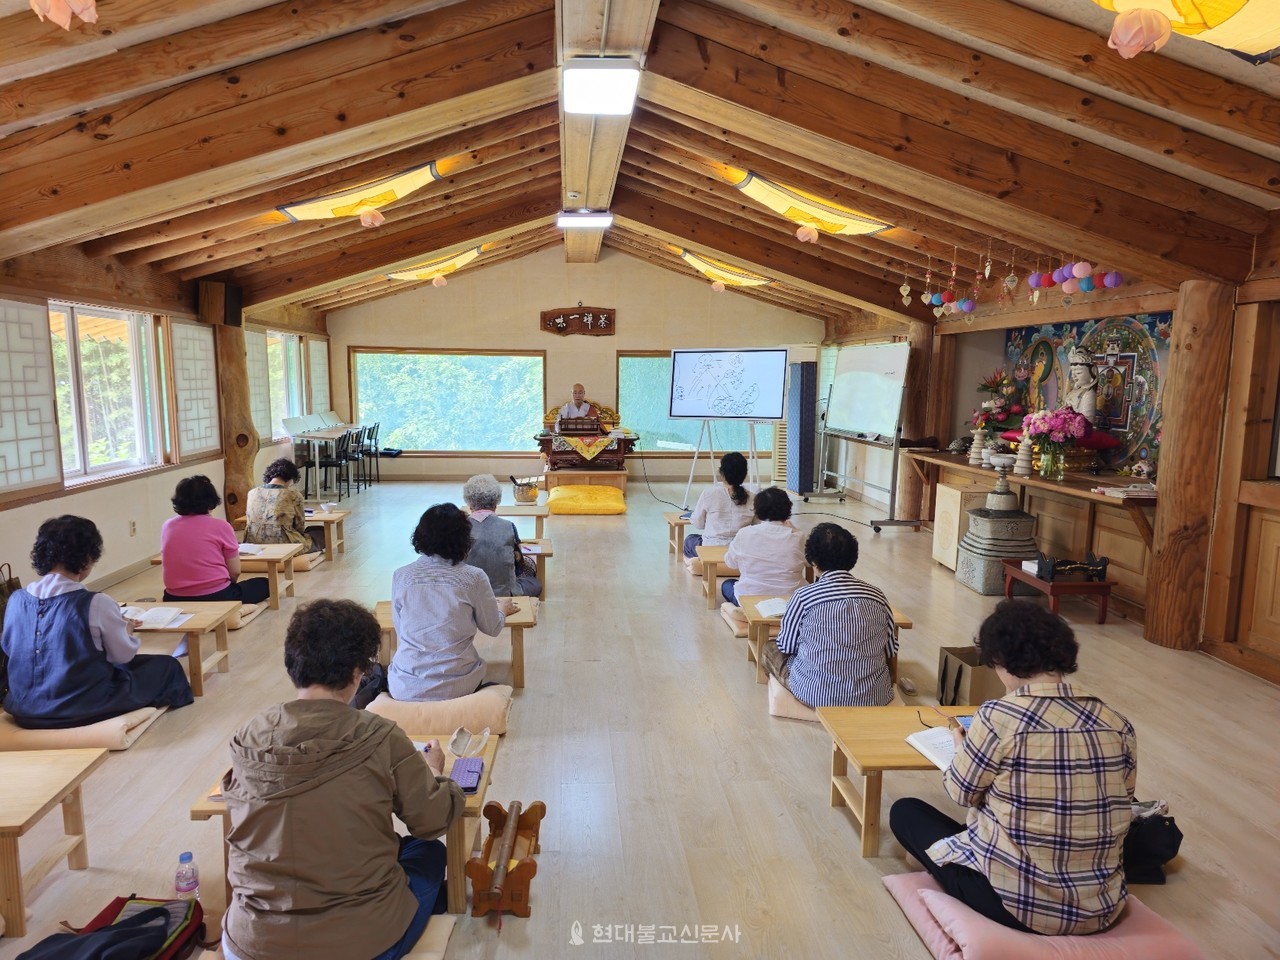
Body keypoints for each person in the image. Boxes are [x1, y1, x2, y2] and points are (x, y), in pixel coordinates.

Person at [220, 599, 465, 960]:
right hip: (360, 944)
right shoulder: (378, 735)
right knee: (427, 851)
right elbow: (431, 821)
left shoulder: (249, 735)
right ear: (357, 671)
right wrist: (434, 772)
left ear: (293, 664)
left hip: (250, 943)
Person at [889, 600, 1137, 936]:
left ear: (1001, 661)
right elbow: (1124, 798)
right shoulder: (1116, 722)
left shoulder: (999, 717)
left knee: (905, 812)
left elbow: (961, 792)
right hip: (1101, 906)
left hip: (1018, 906)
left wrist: (961, 748)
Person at [0, 516, 193, 729]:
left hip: (24, 708)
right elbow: (123, 655)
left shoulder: (17, 599)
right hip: (79, 707)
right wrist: (126, 629)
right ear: (86, 559)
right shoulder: (96, 602)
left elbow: (10, 647)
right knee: (167, 666)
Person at [389, 504, 519, 701]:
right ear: (465, 539)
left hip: (405, 684)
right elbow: (492, 628)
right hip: (458, 684)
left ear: (419, 535)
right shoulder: (473, 577)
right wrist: (501, 609)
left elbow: (401, 629)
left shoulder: (401, 576)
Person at [761, 523, 896, 708]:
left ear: (813, 562)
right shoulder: (877, 595)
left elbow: (786, 646)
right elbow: (890, 650)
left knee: (769, 648)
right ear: (852, 557)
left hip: (816, 695)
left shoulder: (803, 597)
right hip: (874, 697)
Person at [160, 475, 270, 604]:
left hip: (173, 598)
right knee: (265, 584)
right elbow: (235, 571)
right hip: (217, 596)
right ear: (211, 501)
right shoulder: (221, 526)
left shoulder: (168, 526)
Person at [721, 486, 805, 610]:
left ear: (758, 511)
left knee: (727, 585)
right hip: (791, 599)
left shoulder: (745, 533)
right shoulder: (798, 536)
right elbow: (809, 562)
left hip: (751, 597)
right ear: (788, 509)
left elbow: (730, 563)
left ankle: (743, 612)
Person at [461, 474, 541, 598]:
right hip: (504, 594)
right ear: (496, 502)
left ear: (469, 504)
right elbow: (518, 567)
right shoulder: (508, 526)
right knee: (534, 583)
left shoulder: (460, 528)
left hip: (469, 593)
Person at [682, 451, 754, 565]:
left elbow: (698, 524)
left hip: (711, 548)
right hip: (740, 550)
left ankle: (697, 564)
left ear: (722, 473)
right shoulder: (753, 498)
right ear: (744, 474)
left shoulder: (709, 494)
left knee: (690, 540)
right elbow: (756, 526)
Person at [244, 458, 324, 554]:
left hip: (253, 542)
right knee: (320, 532)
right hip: (285, 543)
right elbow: (299, 525)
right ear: (290, 478)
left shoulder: (252, 493)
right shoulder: (293, 495)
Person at [1064, 345, 1098, 421]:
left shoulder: (1088, 394)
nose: (1074, 376)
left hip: (1078, 430)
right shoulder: (1073, 392)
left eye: (1079, 373)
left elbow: (1087, 423)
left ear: (1092, 371)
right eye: (1073, 372)